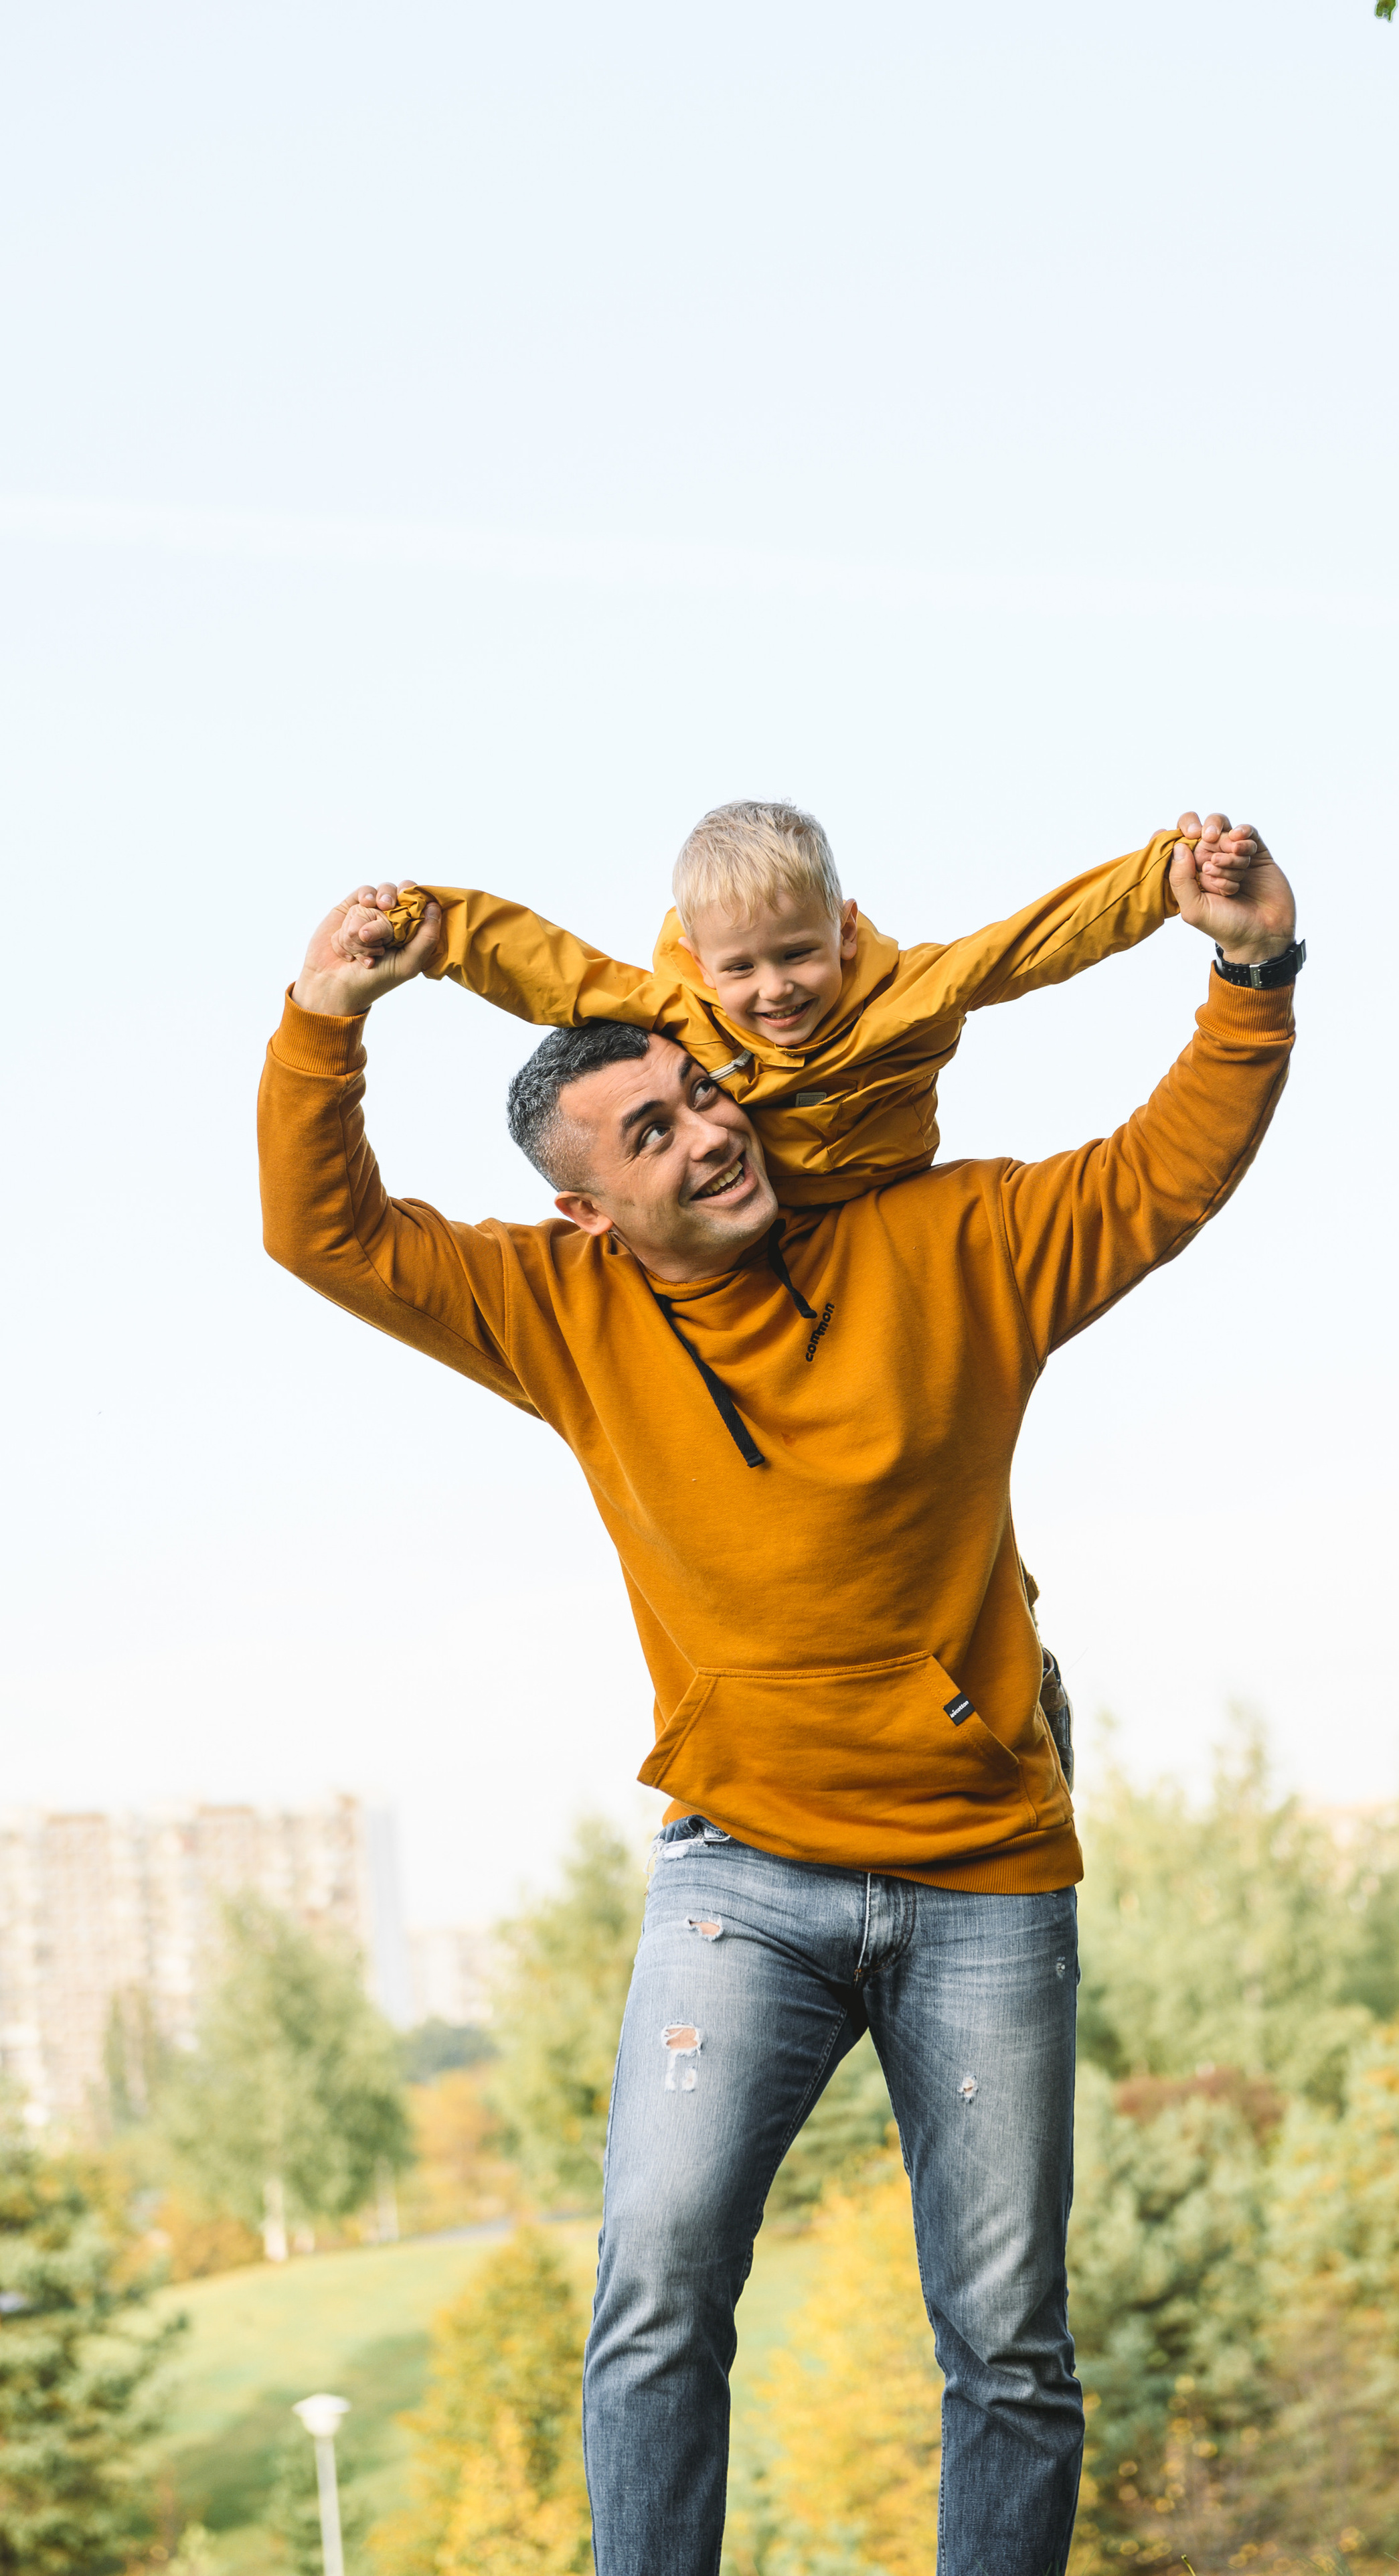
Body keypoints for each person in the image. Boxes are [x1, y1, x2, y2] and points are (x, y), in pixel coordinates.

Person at [258, 809, 1301, 2576]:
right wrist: (324, 1017)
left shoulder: (951, 1246)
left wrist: (1249, 972)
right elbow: (328, 1231)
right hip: (741, 1880)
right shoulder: (561, 1311)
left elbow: (1156, 1179)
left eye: (710, 1093)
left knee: (1010, 2346)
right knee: (655, 2289)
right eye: (655, 1130)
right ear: (586, 1209)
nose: (715, 1128)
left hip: (983, 1876)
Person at [361, 798, 1260, 1203]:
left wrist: (1163, 876)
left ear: (843, 930)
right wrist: (427, 927)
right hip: (761, 1216)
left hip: (887, 1193)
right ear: (700, 960)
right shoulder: (681, 1013)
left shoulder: (911, 991)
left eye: (797, 955)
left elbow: (1033, 943)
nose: (775, 989)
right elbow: (550, 970)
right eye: (742, 968)